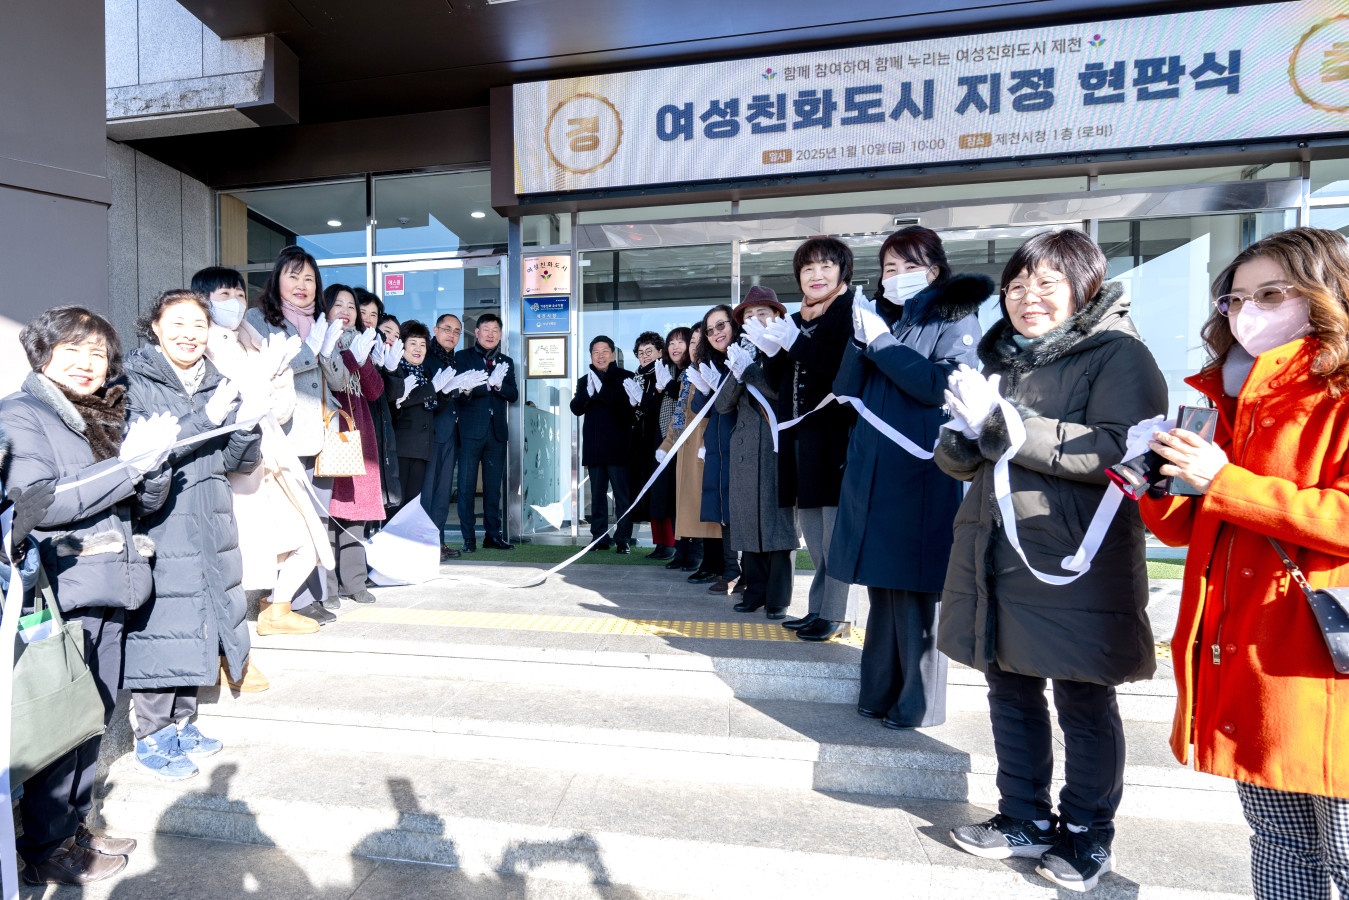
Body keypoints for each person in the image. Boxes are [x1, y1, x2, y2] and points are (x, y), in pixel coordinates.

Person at [937, 230, 1166, 892]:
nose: (1025, 297)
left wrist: (1006, 426)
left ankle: (1087, 833)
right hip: (997, 553)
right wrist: (963, 432)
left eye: (1045, 283)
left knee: (1081, 698)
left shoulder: (1117, 354)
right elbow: (959, 463)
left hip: (1073, 557)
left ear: (1083, 286)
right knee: (1007, 688)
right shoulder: (1004, 364)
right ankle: (1022, 817)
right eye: (1015, 285)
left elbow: (1122, 450)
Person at [1140, 227, 1349, 900]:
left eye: (1270, 294)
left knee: (1342, 852)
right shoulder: (1228, 396)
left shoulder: (1340, 392)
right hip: (1248, 655)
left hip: (1323, 656)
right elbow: (1186, 531)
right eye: (1233, 298)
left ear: (1326, 294)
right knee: (1278, 841)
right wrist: (1159, 478)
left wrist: (1223, 481)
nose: (1245, 312)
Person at [0, 306, 172, 885]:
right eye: (73, 349)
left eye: (98, 354)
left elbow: (139, 503)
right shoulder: (22, 414)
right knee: (60, 723)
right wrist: (129, 468)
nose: (87, 363)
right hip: (64, 587)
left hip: (111, 584)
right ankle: (46, 846)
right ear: (43, 353)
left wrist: (155, 465)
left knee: (92, 717)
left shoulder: (101, 415)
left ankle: (72, 829)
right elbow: (40, 501)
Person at [829, 227, 988, 726]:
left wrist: (883, 345)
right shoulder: (887, 318)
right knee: (881, 586)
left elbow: (940, 386)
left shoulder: (956, 316)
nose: (895, 278)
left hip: (920, 469)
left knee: (916, 593)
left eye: (907, 267)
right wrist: (861, 339)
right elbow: (846, 387)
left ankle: (918, 702)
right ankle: (877, 691)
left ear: (935, 270)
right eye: (888, 269)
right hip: (875, 469)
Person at [122, 289, 263, 781]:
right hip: (162, 516)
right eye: (177, 323)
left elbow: (232, 463)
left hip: (210, 514)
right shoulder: (134, 381)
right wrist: (208, 418)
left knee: (197, 616)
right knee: (162, 621)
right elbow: (146, 453)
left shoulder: (216, 381)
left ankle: (182, 721)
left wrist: (246, 426)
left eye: (198, 325)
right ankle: (151, 733)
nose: (189, 334)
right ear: (155, 327)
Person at [196, 265, 328, 657]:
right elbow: (229, 405)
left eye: (238, 294)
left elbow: (281, 410)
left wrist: (278, 375)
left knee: (306, 539)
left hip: (271, 454)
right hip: (236, 462)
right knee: (242, 552)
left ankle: (278, 608)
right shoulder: (204, 345)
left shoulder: (253, 341)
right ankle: (227, 642)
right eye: (223, 296)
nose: (234, 303)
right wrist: (264, 380)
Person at [747, 239, 859, 641]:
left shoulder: (851, 312)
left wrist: (795, 344)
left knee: (834, 533)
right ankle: (818, 609)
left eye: (826, 267)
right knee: (814, 532)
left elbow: (841, 370)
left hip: (835, 436)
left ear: (842, 271)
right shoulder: (798, 318)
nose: (816, 275)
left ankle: (837, 614)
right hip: (802, 438)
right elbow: (782, 384)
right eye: (808, 269)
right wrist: (772, 352)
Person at [244, 245, 348, 627]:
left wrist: (327, 348)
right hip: (284, 434)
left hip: (323, 435)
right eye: (293, 276)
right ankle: (291, 600)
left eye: (309, 278)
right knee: (292, 521)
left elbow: (338, 380)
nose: (302, 285)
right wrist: (311, 349)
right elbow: (270, 370)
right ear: (277, 280)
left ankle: (313, 594)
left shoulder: (320, 319)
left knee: (318, 518)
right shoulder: (259, 319)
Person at [717, 290, 798, 618]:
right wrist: (738, 372)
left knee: (779, 524)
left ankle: (778, 597)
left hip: (777, 450)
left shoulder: (788, 350)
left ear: (777, 316)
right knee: (749, 523)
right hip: (745, 454)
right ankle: (755, 591)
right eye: (749, 317)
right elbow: (723, 405)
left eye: (762, 313)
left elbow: (784, 395)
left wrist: (751, 371)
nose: (755, 321)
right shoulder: (743, 353)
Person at [320, 284, 386, 604]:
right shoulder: (321, 341)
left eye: (351, 306)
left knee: (357, 514)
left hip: (361, 436)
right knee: (331, 514)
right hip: (333, 433)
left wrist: (362, 357)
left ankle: (355, 582)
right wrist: (348, 356)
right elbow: (336, 383)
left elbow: (374, 390)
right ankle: (329, 587)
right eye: (338, 305)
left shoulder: (359, 343)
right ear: (326, 309)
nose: (346, 311)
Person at [688, 305, 743, 592]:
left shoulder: (743, 357)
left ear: (734, 324)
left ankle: (748, 572)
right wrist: (705, 389)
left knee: (740, 507)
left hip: (739, 444)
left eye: (720, 326)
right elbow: (700, 409)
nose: (715, 334)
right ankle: (731, 568)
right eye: (709, 330)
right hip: (717, 444)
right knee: (721, 506)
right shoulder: (713, 364)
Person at [455, 313, 518, 551]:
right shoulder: (462, 358)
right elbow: (461, 391)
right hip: (470, 432)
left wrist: (500, 385)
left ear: (500, 335)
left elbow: (513, 394)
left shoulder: (506, 361)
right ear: (477, 332)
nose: (491, 334)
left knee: (493, 488)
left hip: (497, 433)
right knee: (466, 487)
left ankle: (493, 535)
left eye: (495, 330)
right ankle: (468, 538)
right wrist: (486, 385)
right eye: (486, 329)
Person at [660, 324, 719, 576]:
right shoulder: (686, 374)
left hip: (702, 445)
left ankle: (705, 559)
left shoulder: (707, 370)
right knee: (685, 502)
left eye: (694, 342)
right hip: (682, 445)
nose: (689, 347)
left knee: (702, 505)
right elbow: (679, 414)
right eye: (690, 342)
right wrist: (666, 444)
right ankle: (687, 553)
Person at [571, 335, 637, 552]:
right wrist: (588, 393)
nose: (600, 356)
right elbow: (576, 408)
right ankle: (599, 538)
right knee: (597, 496)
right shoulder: (584, 380)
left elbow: (628, 411)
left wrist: (602, 391)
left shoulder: (626, 377)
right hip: (595, 448)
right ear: (591, 355)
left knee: (622, 497)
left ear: (612, 354)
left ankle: (623, 539)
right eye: (596, 352)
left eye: (604, 351)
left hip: (619, 448)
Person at [354, 287, 401, 517]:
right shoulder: (349, 340)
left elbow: (390, 394)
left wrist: (388, 369)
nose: (369, 319)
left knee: (381, 493)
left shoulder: (380, 343)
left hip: (380, 422)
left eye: (374, 314)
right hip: (359, 421)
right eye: (364, 312)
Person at [423, 313, 465, 559]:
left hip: (451, 434)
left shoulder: (454, 361)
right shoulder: (426, 358)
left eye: (457, 331)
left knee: (442, 494)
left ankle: (438, 543)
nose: (452, 334)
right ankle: (425, 545)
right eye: (447, 329)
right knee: (428, 494)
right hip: (432, 434)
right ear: (435, 330)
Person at [630, 332, 674, 558]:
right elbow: (638, 413)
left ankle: (671, 544)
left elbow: (663, 406)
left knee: (663, 493)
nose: (644, 357)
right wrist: (635, 404)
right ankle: (659, 543)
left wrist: (650, 397)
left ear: (660, 352)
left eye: (649, 352)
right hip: (644, 444)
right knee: (650, 493)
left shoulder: (666, 372)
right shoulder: (638, 377)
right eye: (640, 353)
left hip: (663, 440)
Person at [385, 320, 438, 509]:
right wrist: (434, 388)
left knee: (412, 503)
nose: (418, 349)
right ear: (403, 346)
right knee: (396, 502)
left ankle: (406, 539)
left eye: (422, 344)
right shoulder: (396, 369)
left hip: (422, 448)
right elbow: (402, 399)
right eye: (413, 343)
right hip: (401, 447)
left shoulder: (424, 374)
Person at [653, 326, 693, 566]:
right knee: (673, 500)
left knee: (686, 499)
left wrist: (668, 386)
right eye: (671, 343)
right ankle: (681, 551)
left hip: (688, 443)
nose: (675, 346)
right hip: (668, 444)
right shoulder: (669, 371)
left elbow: (688, 400)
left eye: (681, 341)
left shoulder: (691, 371)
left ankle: (692, 555)